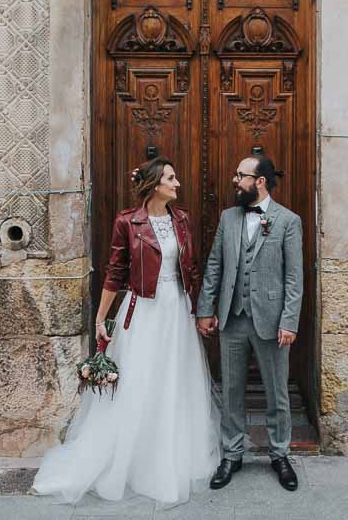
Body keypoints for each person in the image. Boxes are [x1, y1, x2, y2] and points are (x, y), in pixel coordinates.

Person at [32, 157, 219, 507]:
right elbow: (115, 271)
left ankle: (171, 457)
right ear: (154, 185)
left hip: (175, 310)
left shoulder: (182, 220)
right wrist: (102, 318)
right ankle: (129, 461)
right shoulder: (127, 222)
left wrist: (199, 308)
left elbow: (191, 268)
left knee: (173, 381)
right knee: (140, 382)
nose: (177, 184)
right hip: (143, 311)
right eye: (171, 178)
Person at [196, 153, 303, 491]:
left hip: (271, 321)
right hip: (232, 317)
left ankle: (280, 454)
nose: (234, 180)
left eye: (240, 175)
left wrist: (289, 321)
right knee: (231, 391)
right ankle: (232, 454)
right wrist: (204, 308)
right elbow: (215, 264)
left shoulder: (288, 221)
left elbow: (294, 277)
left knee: (277, 392)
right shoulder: (228, 218)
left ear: (259, 181)